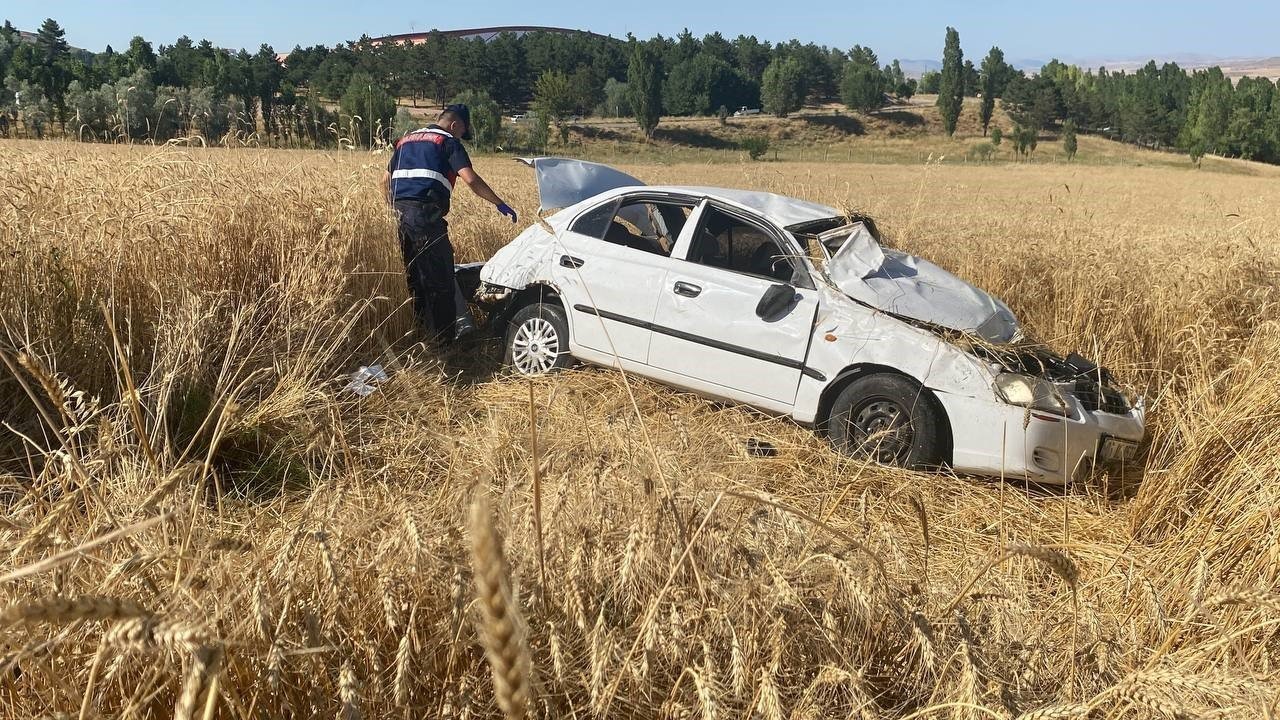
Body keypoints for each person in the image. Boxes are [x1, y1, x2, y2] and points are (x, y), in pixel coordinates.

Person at [382, 104, 517, 343]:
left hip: (400, 215)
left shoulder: (405, 141)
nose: (459, 136)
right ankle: (444, 344)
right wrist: (499, 203)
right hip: (426, 215)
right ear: (455, 125)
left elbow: (385, 179)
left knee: (416, 279)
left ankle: (423, 335)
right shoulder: (447, 142)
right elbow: (471, 179)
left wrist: (391, 208)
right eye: (461, 132)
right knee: (441, 280)